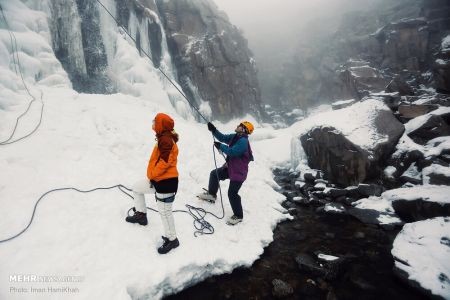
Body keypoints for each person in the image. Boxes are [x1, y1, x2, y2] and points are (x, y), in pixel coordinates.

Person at [126, 113, 180, 254]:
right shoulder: (164, 138)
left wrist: (152, 174)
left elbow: (165, 162)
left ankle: (172, 240)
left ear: (161, 125)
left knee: (165, 211)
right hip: (159, 181)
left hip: (166, 182)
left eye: (155, 122)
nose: (153, 124)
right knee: (137, 188)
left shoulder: (166, 140)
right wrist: (153, 176)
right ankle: (141, 215)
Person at [197, 121, 254, 225]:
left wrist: (221, 146)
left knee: (232, 193)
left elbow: (233, 152)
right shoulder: (235, 136)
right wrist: (213, 130)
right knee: (214, 174)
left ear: (244, 130)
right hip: (231, 169)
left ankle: (239, 215)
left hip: (239, 173)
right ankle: (211, 194)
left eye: (240, 126)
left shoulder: (243, 141)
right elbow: (223, 137)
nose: (237, 126)